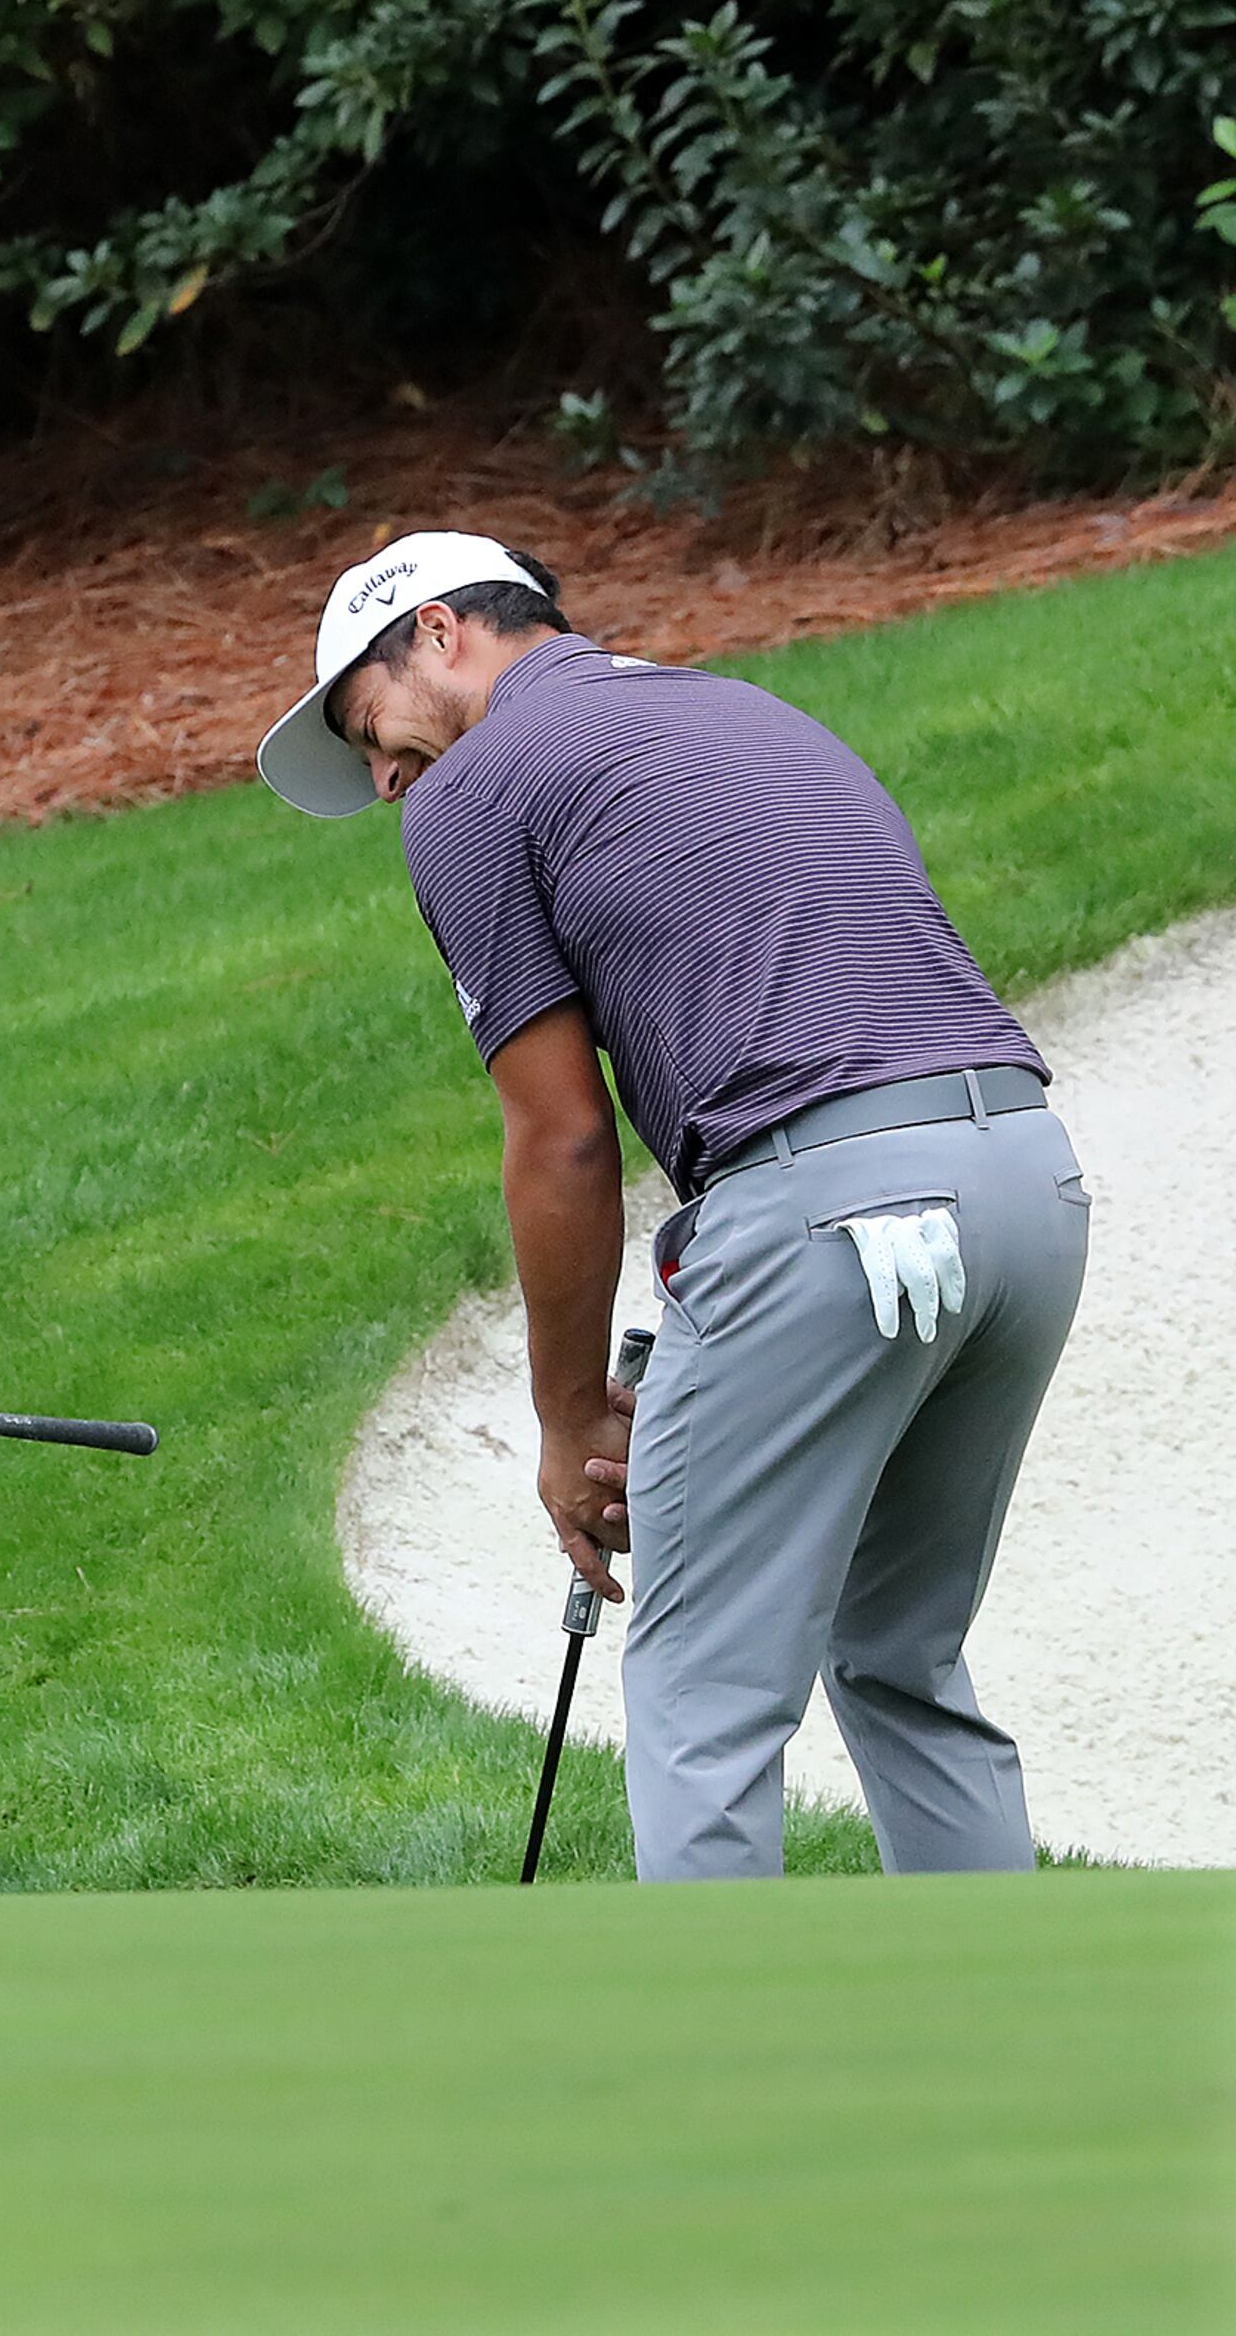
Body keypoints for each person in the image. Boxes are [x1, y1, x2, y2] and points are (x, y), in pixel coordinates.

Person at [258, 530, 1088, 1880]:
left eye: (371, 724)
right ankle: (1017, 2065)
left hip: (825, 1219)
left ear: (444, 635)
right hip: (1029, 1186)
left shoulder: (473, 792)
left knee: (702, 1698)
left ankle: (717, 2089)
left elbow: (563, 1140)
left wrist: (567, 1413)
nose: (383, 776)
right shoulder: (740, 708)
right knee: (902, 1654)